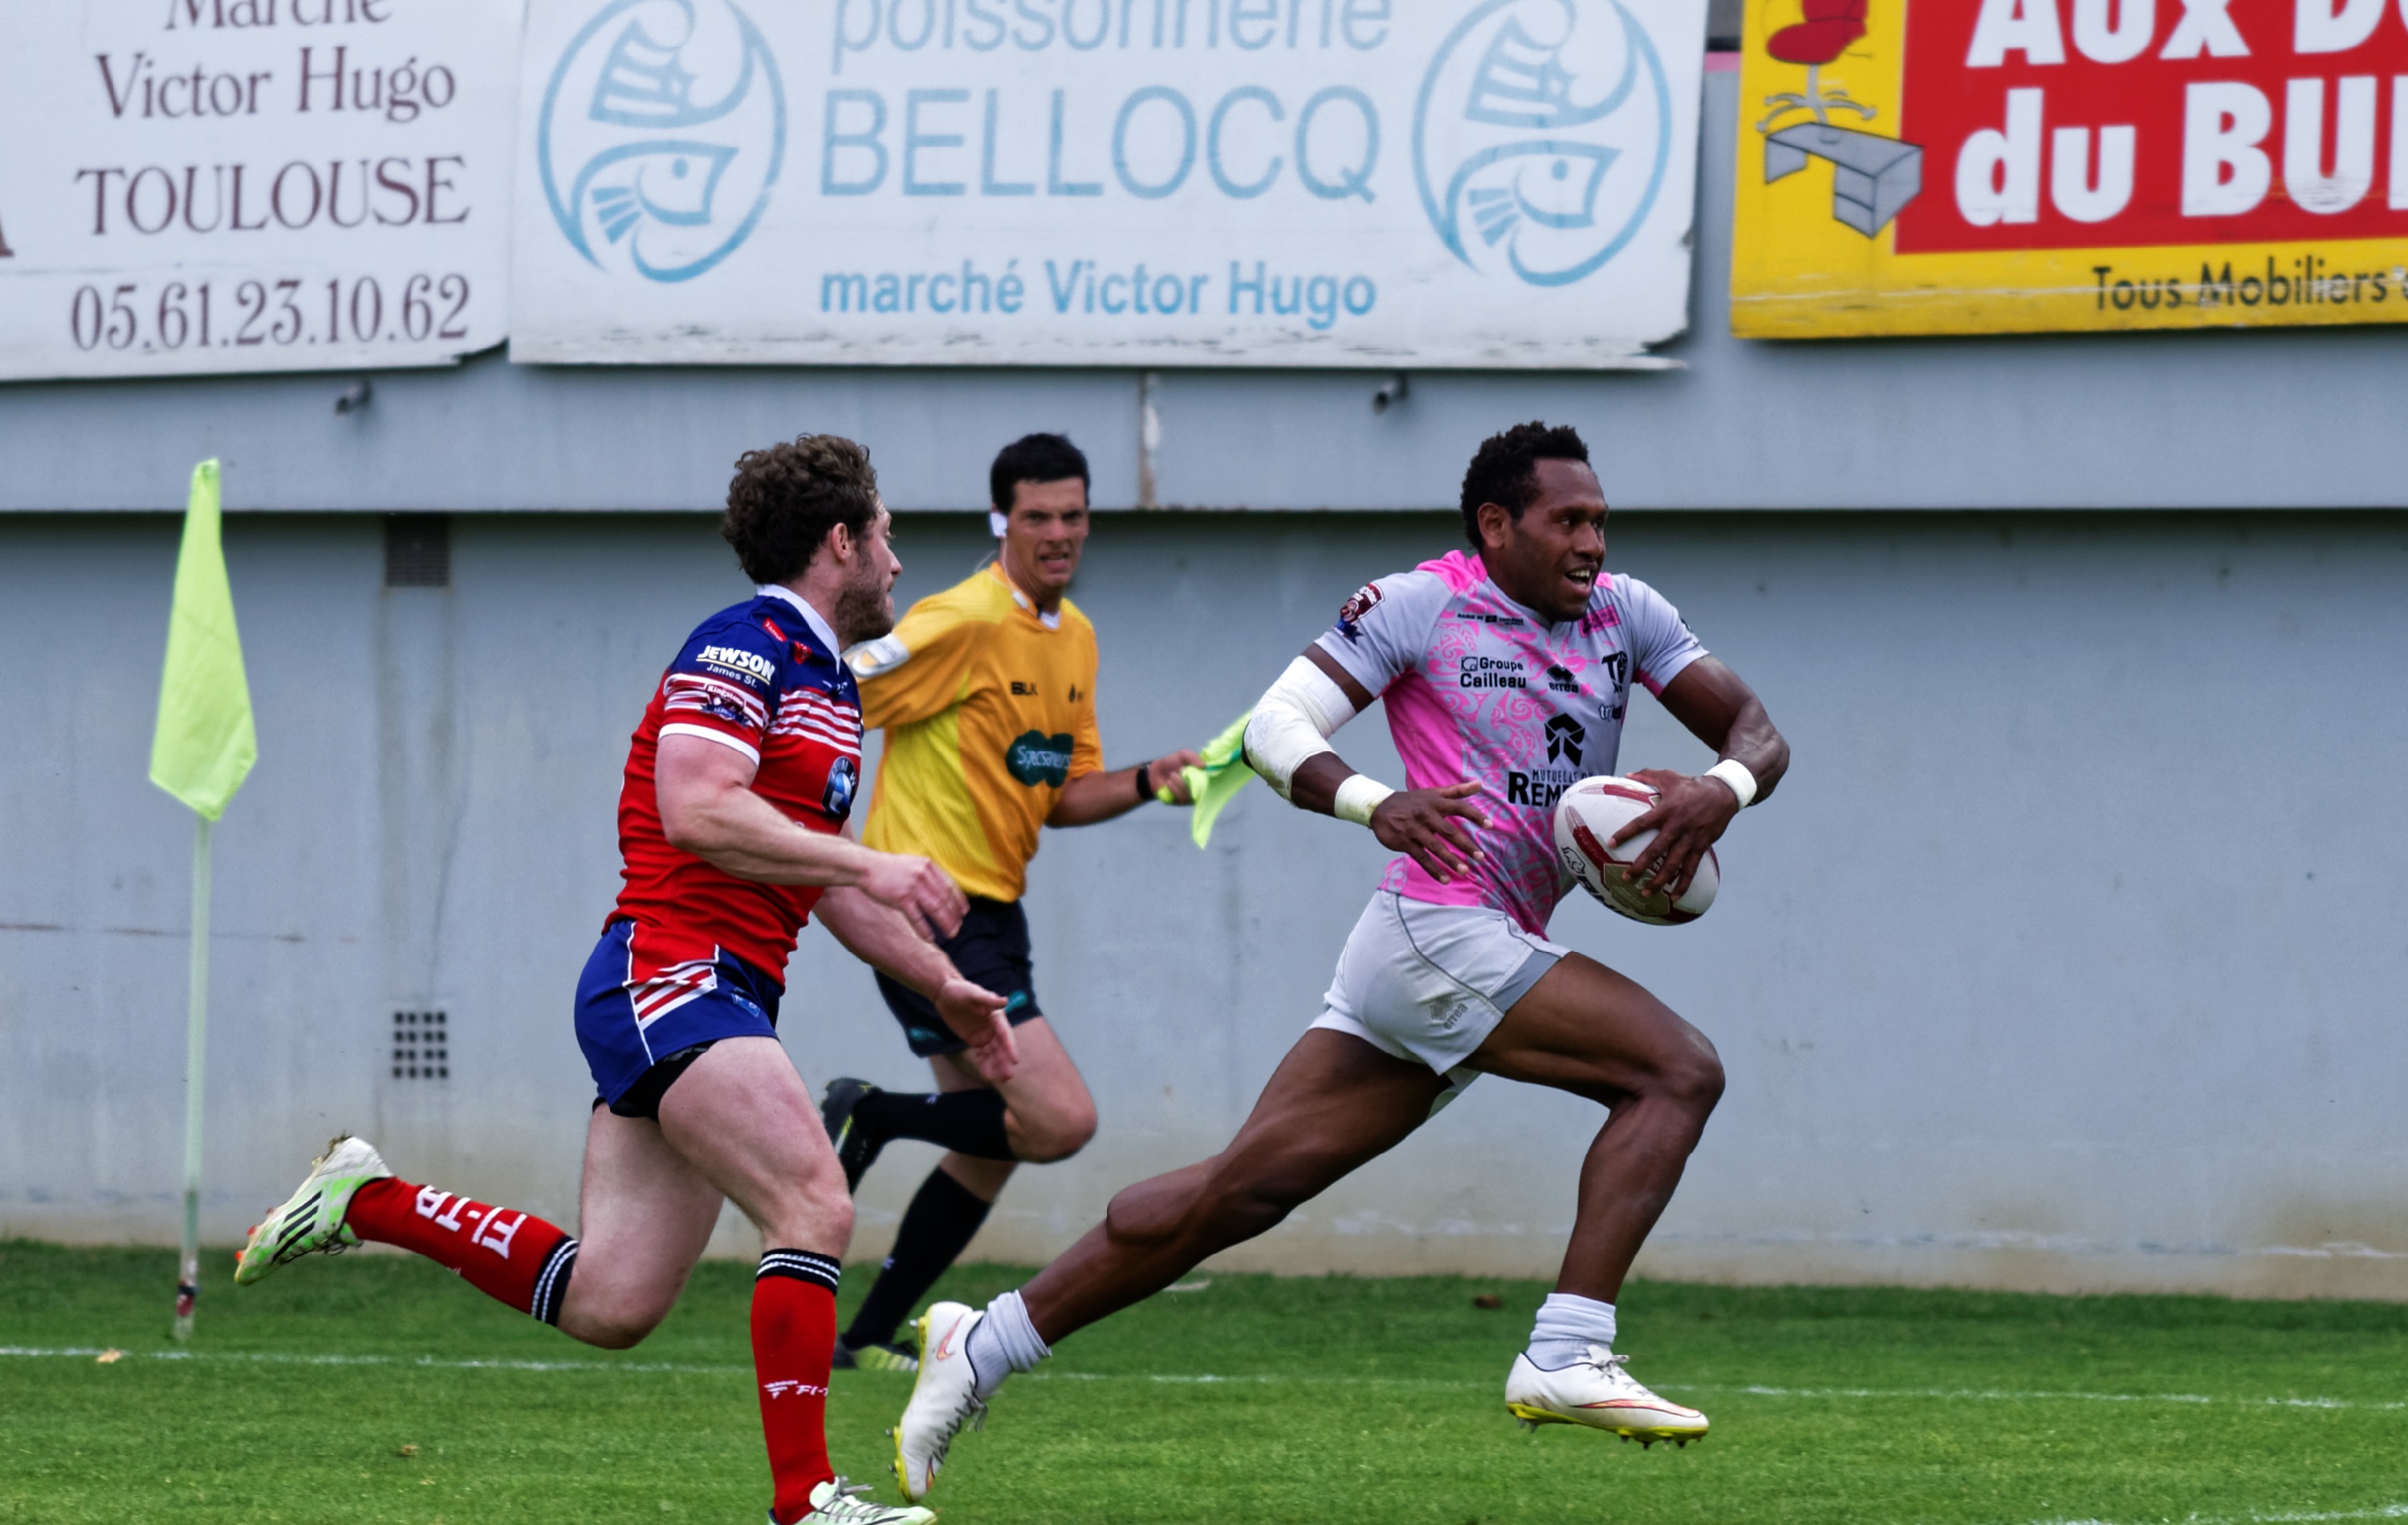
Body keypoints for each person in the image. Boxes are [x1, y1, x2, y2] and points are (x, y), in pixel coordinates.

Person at [888, 421, 1792, 1502]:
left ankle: (982, 1342)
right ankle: (1567, 1347)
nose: (1593, 542)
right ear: (1496, 525)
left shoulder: (1625, 613)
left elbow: (1754, 727)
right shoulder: (1419, 604)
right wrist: (1375, 801)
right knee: (1677, 1070)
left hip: (1458, 947)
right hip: (1439, 930)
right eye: (1569, 521)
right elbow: (1277, 727)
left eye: (1600, 520)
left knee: (1237, 1192)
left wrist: (1719, 789)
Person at [234, 435, 1019, 1525]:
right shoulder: (743, 642)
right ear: (840, 541)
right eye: (886, 534)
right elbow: (696, 808)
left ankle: (368, 1199)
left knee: (612, 1301)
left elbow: (813, 877)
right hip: (672, 973)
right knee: (812, 1201)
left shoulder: (832, 681)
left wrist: (942, 983)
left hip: (712, 991)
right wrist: (869, 861)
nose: (897, 559)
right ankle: (807, 1501)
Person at [816, 432, 1202, 1372]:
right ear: (1002, 521)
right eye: (1038, 516)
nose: (1058, 532)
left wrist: (1148, 779)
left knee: (992, 1146)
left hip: (997, 914)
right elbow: (834, 684)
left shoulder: (1076, 638)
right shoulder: (961, 619)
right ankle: (872, 1113)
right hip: (928, 912)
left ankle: (861, 1341)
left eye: (1073, 515)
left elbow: (1061, 794)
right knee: (1059, 1120)